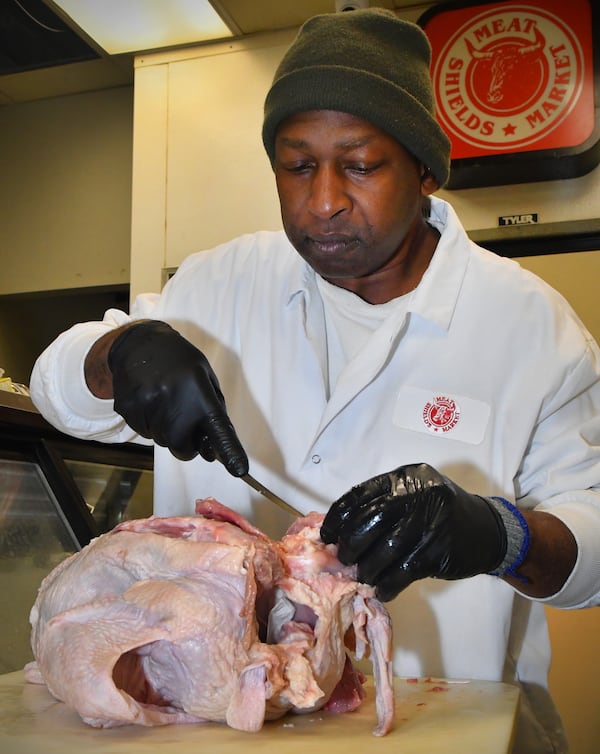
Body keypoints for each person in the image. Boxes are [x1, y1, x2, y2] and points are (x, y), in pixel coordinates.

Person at [30, 9, 600, 753]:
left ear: (425, 168)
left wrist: (499, 533)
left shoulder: (529, 324)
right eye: (298, 166)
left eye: (360, 165)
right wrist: (120, 354)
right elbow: (56, 389)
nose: (323, 199)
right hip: (213, 725)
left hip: (444, 727)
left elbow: (591, 543)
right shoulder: (219, 282)